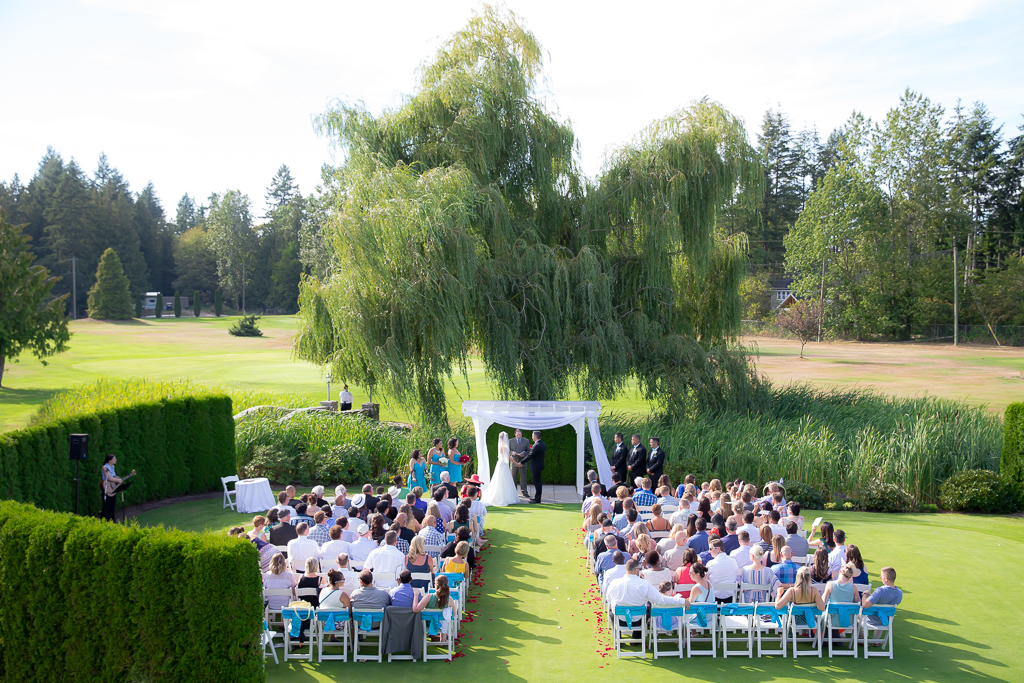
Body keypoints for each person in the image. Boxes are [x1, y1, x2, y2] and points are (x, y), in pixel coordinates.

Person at [482, 430, 520, 507]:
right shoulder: (504, 446)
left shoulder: (500, 445)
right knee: (504, 480)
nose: (508, 438)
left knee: (500, 480)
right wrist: (516, 463)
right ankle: (504, 497)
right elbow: (508, 457)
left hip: (500, 463)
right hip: (503, 464)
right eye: (507, 436)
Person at [416, 574, 454, 642]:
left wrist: (416, 596)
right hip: (441, 625)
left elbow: (417, 609)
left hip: (428, 624)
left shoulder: (428, 597)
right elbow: (453, 614)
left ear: (435, 585)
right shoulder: (450, 599)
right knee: (445, 615)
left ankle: (435, 636)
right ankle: (443, 638)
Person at [706, 538, 739, 602]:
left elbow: (706, 579)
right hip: (730, 598)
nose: (709, 551)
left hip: (715, 598)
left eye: (710, 549)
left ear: (718, 549)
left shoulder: (710, 564)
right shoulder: (733, 561)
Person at [520, 430, 546, 504]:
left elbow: (530, 455)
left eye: (532, 436)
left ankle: (537, 499)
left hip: (536, 466)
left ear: (535, 436)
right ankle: (536, 497)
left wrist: (521, 462)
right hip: (539, 466)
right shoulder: (542, 443)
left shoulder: (537, 445)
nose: (532, 437)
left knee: (537, 483)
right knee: (538, 482)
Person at [100, 454, 127, 521]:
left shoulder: (113, 467)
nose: (116, 460)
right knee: (107, 508)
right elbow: (109, 478)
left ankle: (112, 522)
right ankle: (104, 522)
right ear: (109, 460)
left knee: (112, 508)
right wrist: (118, 480)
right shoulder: (105, 467)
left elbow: (114, 477)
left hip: (113, 489)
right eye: (114, 459)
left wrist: (118, 481)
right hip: (107, 490)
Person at [509, 429, 531, 497]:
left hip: (522, 462)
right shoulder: (510, 441)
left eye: (520, 433)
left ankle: (524, 492)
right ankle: (513, 492)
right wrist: (512, 453)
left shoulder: (526, 441)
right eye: (517, 433)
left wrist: (524, 454)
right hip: (514, 462)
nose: (519, 435)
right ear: (515, 434)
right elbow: (508, 450)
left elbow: (529, 451)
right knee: (513, 477)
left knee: (523, 477)